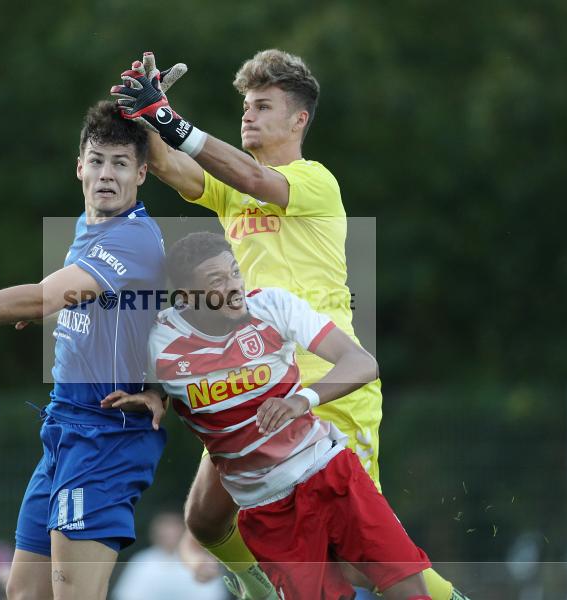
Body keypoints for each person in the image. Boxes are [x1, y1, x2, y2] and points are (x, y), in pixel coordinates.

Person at [111, 50, 469, 600]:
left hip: (325, 381)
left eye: (262, 106)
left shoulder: (314, 180)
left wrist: (169, 119)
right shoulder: (234, 186)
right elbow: (166, 164)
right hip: (254, 381)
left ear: (299, 120)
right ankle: (261, 588)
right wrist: (140, 113)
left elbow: (253, 176)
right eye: (245, 106)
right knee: (205, 518)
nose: (248, 115)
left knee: (361, 561)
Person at [0, 101, 167, 600]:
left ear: (142, 174)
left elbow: (44, 295)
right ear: (79, 166)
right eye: (98, 160)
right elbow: (86, 304)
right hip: (64, 428)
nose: (107, 174)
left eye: (121, 163)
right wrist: (56, 308)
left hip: (106, 437)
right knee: (24, 592)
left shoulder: (133, 238)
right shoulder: (89, 228)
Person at [104, 232, 432, 600]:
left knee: (407, 585)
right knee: (203, 523)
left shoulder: (272, 306)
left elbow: (361, 363)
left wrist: (302, 400)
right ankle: (253, 583)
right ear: (186, 297)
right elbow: (151, 387)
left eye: (234, 273)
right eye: (216, 281)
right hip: (267, 509)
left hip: (329, 470)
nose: (234, 287)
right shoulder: (158, 343)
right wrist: (151, 395)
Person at [111, 512, 227, 600]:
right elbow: (127, 595)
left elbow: (214, 595)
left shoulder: (200, 560)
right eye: (165, 532)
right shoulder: (141, 561)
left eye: (173, 531)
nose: (170, 536)